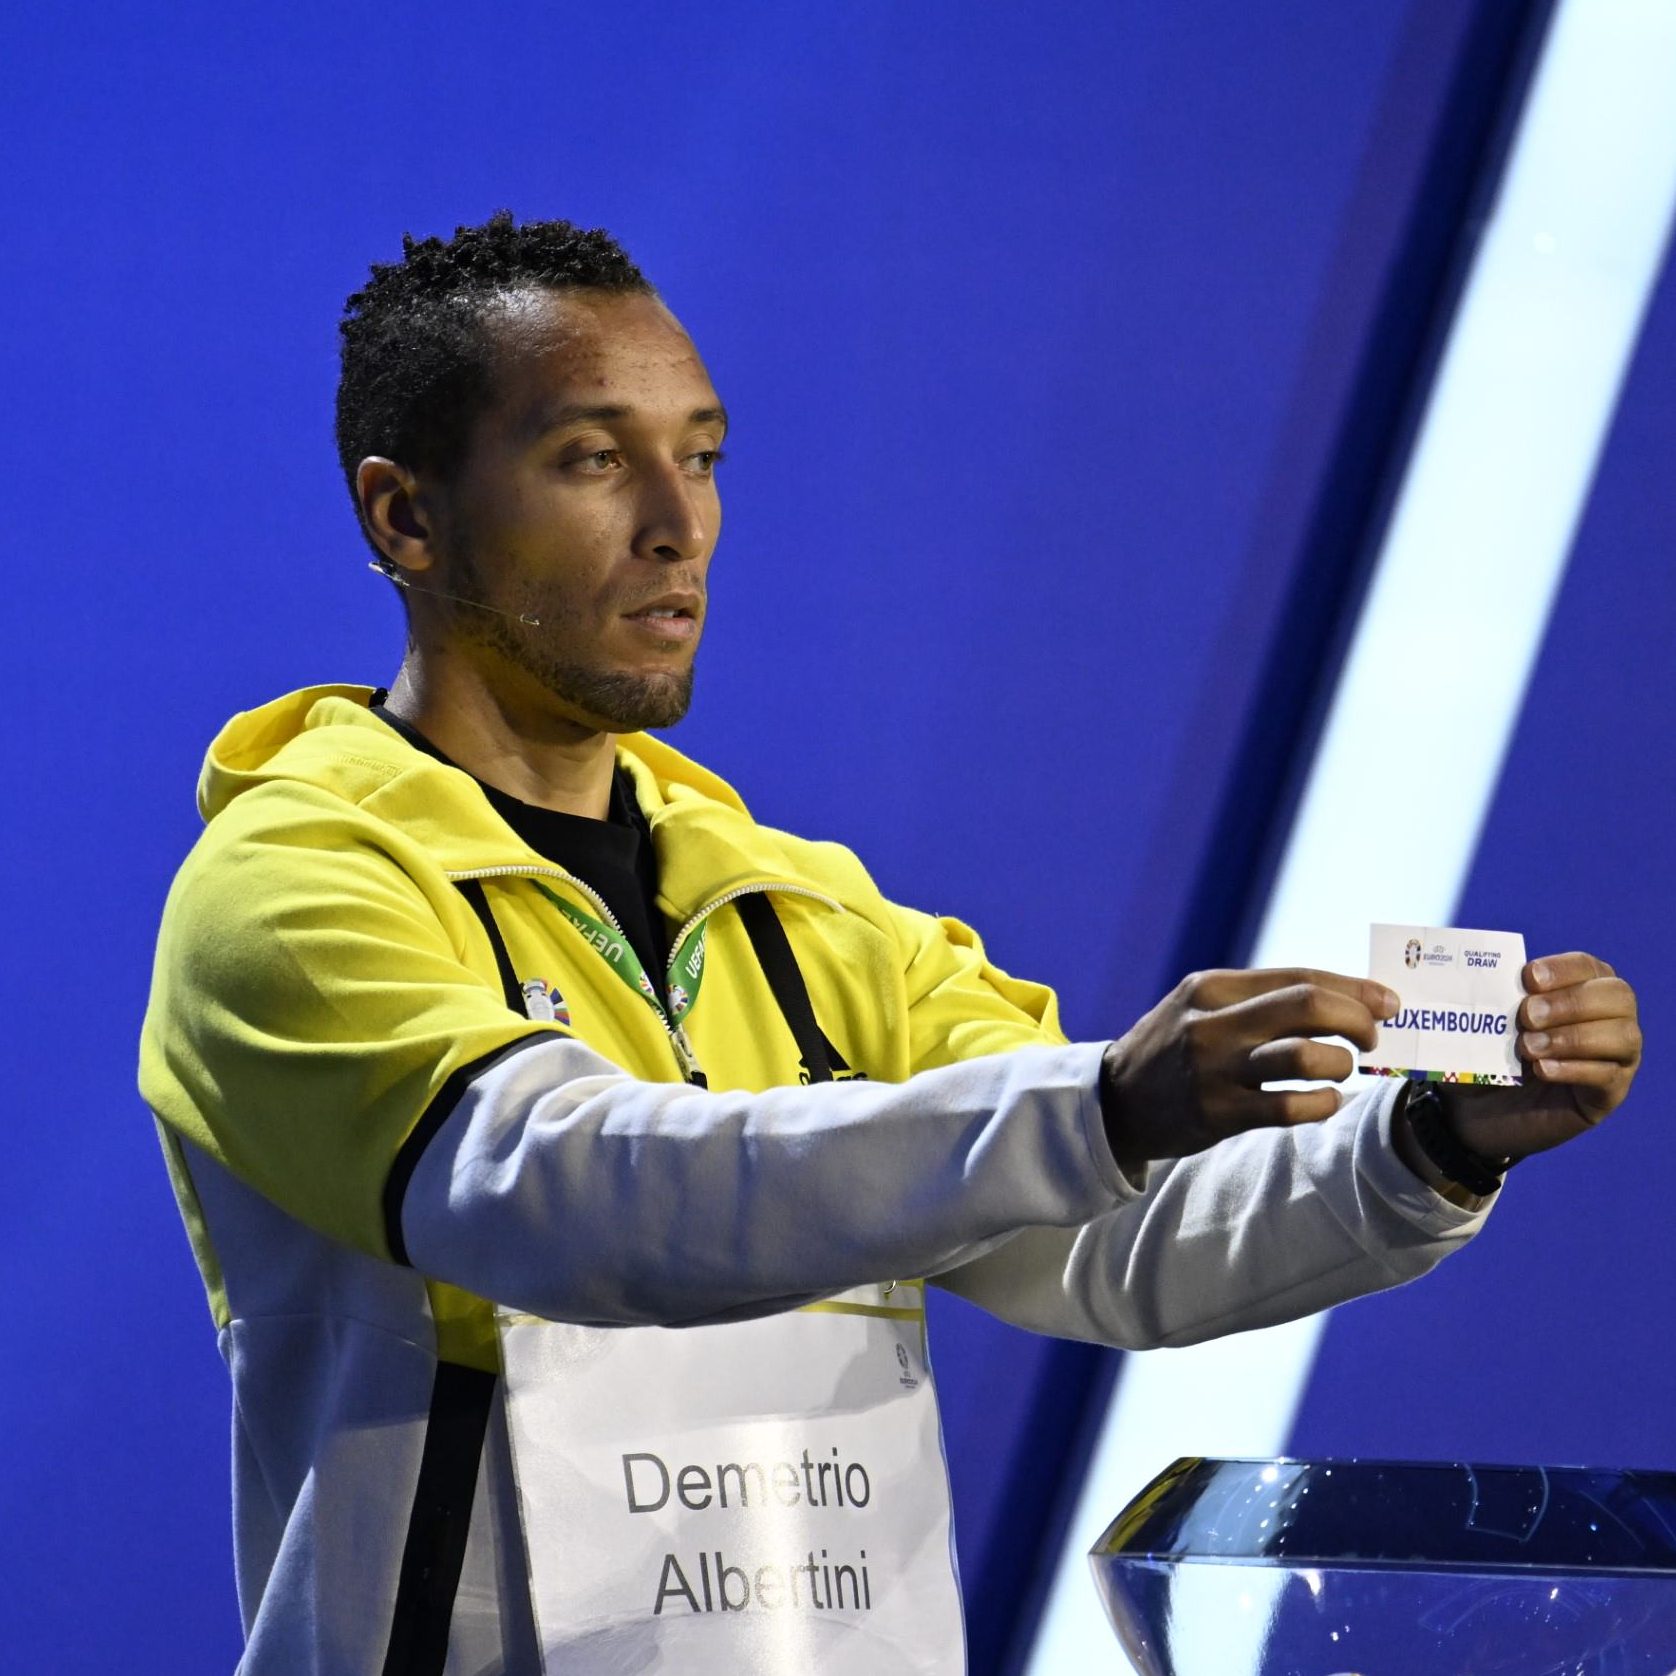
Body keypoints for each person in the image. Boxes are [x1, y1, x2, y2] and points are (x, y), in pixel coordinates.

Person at [139, 213, 1642, 1676]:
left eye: (705, 455)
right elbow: (575, 1198)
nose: (680, 520)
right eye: (593, 458)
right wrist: (1098, 1105)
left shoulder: (801, 905)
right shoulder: (289, 884)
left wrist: (1430, 1145)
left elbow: (1110, 1243)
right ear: (405, 515)